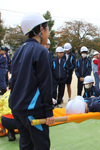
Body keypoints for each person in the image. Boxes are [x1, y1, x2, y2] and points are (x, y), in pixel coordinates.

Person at [9, 12, 55, 150]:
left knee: (26, 145)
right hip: (32, 110)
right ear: (41, 30)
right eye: (47, 29)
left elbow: (14, 80)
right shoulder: (41, 51)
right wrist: (48, 112)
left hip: (17, 109)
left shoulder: (18, 51)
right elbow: (45, 84)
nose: (48, 33)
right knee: (41, 146)